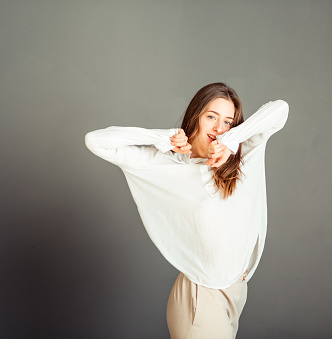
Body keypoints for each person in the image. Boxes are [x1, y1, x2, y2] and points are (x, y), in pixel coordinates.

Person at [84, 82, 289, 338]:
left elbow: (280, 109)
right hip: (200, 297)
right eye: (211, 117)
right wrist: (161, 138)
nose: (219, 128)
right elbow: (96, 141)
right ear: (196, 116)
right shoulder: (166, 163)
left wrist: (232, 141)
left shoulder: (241, 154)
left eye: (228, 122)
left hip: (235, 291)